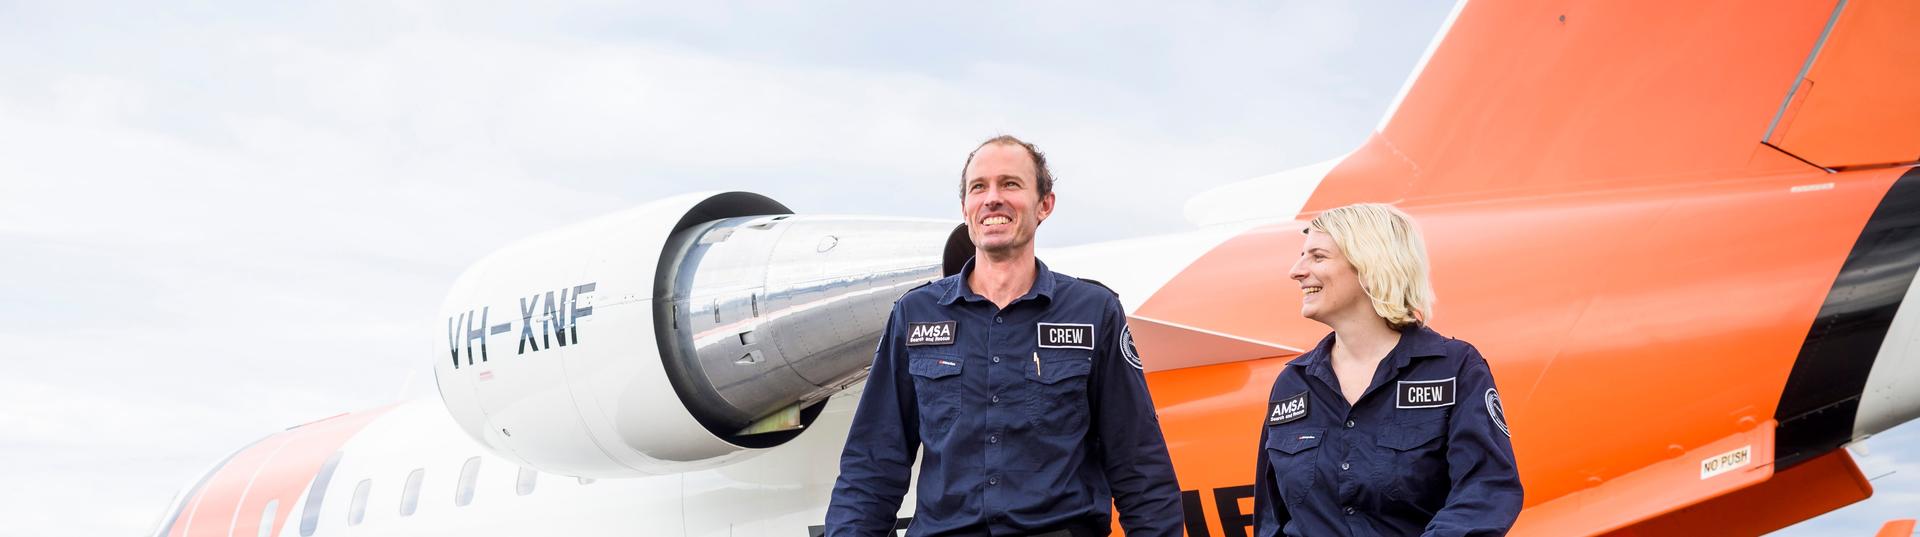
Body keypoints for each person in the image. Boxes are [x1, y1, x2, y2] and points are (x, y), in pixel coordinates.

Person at [826, 135, 1184, 537]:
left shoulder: (1093, 313)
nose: (992, 198)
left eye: (1010, 184)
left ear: (1044, 205)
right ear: (965, 208)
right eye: (979, 187)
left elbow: (1140, 468)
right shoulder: (915, 315)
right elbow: (872, 466)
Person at [1253, 203, 1522, 536]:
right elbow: (1271, 519)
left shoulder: (1454, 368)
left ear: (1369, 265)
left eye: (1318, 257)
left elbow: (1486, 490)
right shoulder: (1293, 383)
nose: (1296, 270)